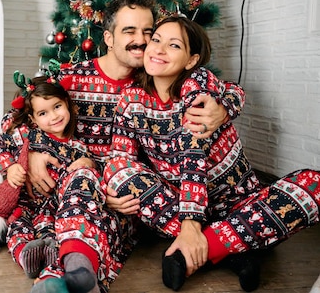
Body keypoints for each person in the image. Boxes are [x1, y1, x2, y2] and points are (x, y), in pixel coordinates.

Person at [26, 0, 246, 291]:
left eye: (148, 32)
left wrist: (225, 107)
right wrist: (35, 148)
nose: (141, 41)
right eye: (129, 31)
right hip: (86, 181)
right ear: (108, 38)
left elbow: (220, 87)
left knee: (116, 220)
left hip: (137, 193)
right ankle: (64, 277)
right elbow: (20, 112)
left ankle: (68, 278)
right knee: (86, 185)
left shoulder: (155, 77)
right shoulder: (71, 78)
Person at [103, 15, 320, 292]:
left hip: (239, 205)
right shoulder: (131, 99)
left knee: (314, 184)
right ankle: (234, 248)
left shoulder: (198, 84)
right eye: (155, 40)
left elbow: (193, 156)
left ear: (191, 60)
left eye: (173, 45)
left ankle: (201, 248)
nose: (157, 49)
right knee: (119, 172)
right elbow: (120, 157)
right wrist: (111, 189)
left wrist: (191, 225)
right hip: (177, 206)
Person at [0, 71, 100, 281]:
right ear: (33, 118)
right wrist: (10, 167)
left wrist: (88, 162)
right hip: (24, 202)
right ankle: (24, 254)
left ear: (67, 104)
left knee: (49, 231)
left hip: (52, 205)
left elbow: (89, 170)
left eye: (57, 107)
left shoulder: (77, 146)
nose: (54, 116)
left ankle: (50, 259)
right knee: (18, 228)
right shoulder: (28, 135)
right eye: (43, 113)